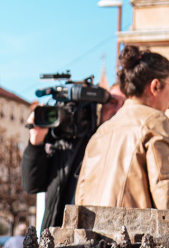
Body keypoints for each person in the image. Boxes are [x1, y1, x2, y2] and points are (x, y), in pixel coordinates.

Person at [75, 45, 169, 209]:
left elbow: (80, 199)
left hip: (94, 226)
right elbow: (164, 194)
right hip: (134, 226)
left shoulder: (101, 131)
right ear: (155, 86)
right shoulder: (154, 120)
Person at [22, 84, 124, 230]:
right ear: (99, 106)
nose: (119, 109)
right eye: (112, 102)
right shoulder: (66, 144)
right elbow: (32, 185)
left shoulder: (128, 146)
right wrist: (36, 140)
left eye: (125, 104)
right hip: (58, 237)